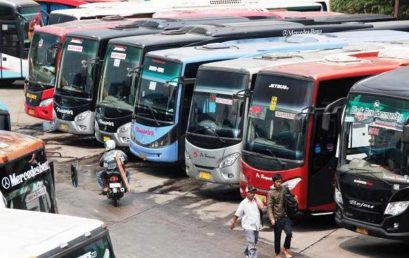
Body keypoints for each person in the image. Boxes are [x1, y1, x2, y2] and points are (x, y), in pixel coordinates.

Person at [230, 185, 264, 258]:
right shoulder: (243, 203)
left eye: (253, 192)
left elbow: (261, 207)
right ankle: (252, 256)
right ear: (246, 193)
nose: (252, 194)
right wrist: (233, 222)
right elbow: (237, 214)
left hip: (256, 226)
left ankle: (247, 253)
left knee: (253, 242)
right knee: (252, 246)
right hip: (248, 226)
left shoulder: (256, 201)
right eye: (250, 192)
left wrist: (256, 197)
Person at [268, 174, 293, 258]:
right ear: (274, 182)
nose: (279, 183)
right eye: (277, 182)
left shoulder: (284, 188)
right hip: (277, 218)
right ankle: (277, 254)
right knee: (277, 238)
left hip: (285, 216)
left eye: (280, 181)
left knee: (289, 233)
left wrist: (294, 199)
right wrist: (272, 219)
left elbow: (290, 196)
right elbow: (269, 207)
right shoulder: (271, 192)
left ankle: (285, 249)